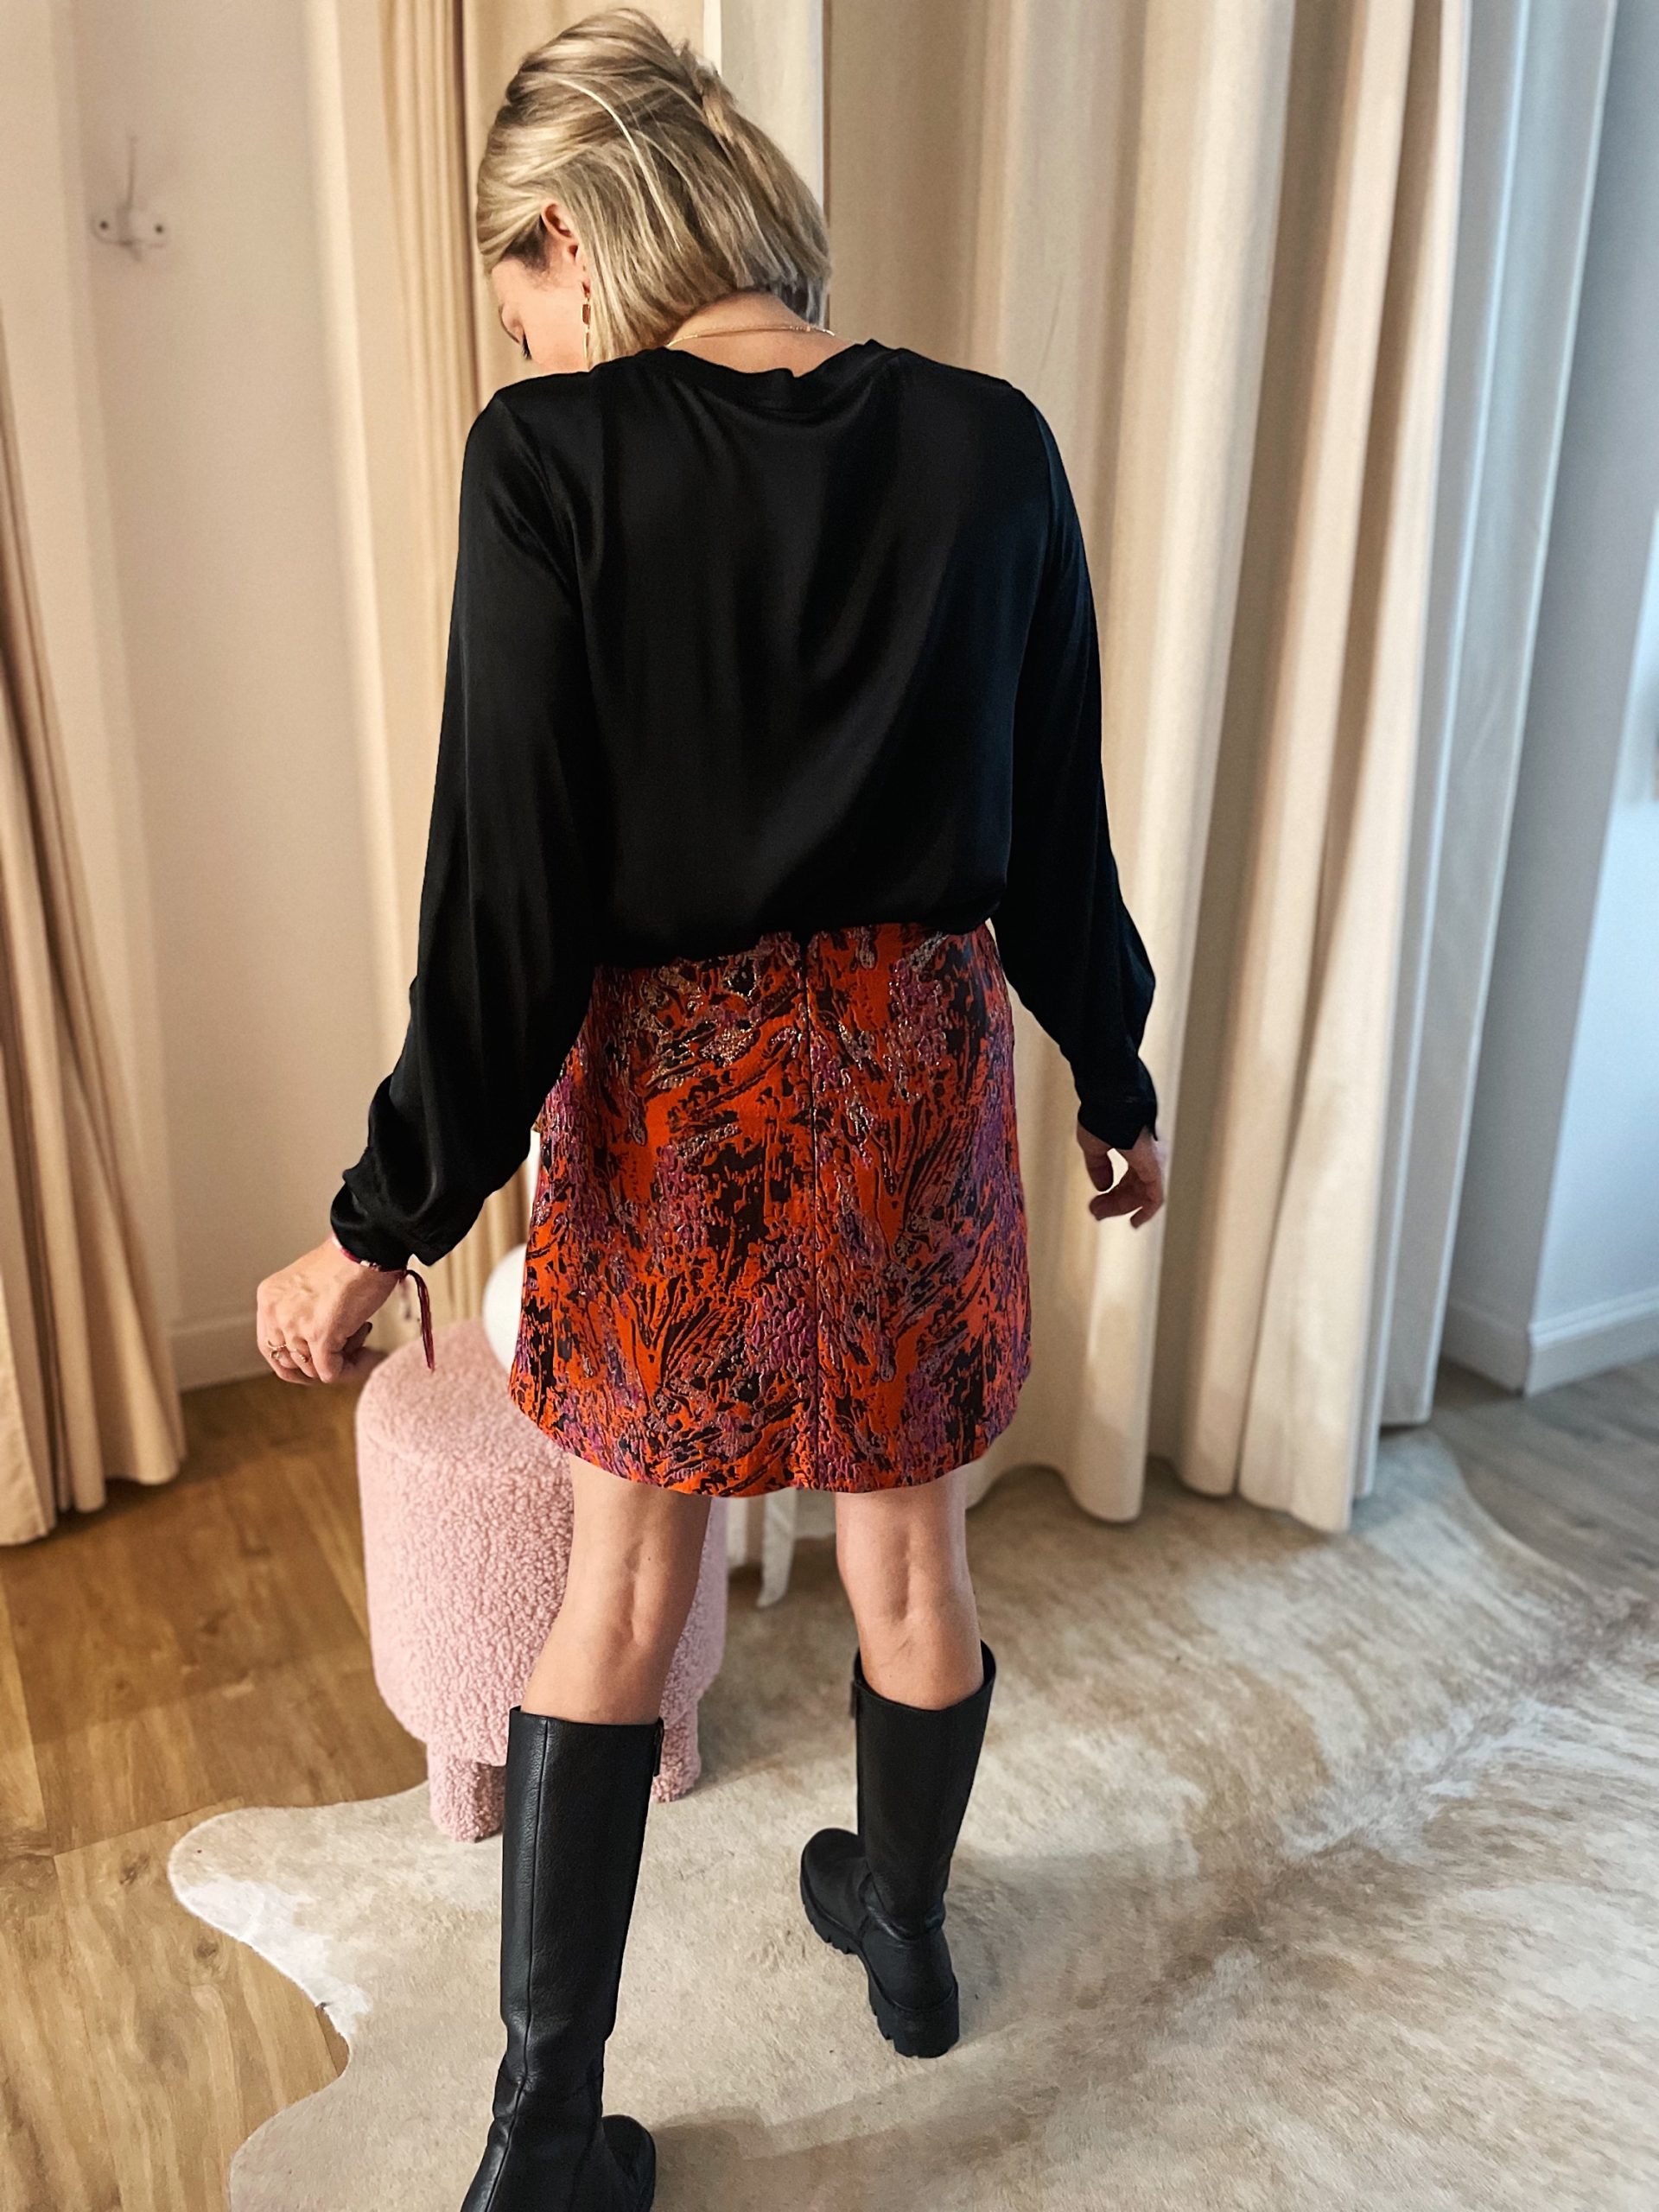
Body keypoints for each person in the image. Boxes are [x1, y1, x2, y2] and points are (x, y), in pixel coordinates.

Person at [255, 10, 1166, 2208]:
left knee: (621, 1581)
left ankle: (543, 2130)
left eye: (527, 300)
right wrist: (1115, 1062)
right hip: (921, 1082)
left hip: (679, 1112)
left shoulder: (550, 462)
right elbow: (1056, 821)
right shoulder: (993, 444)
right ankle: (906, 1937)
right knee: (910, 1545)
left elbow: (505, 909)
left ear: (570, 238)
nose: (539, 345)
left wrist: (380, 1219)